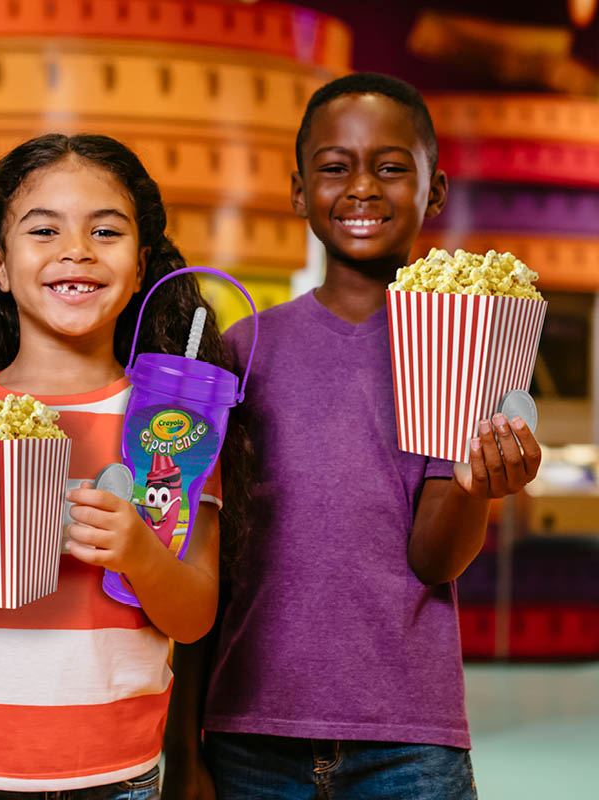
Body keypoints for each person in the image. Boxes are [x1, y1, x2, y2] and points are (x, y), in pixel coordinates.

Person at [163, 73, 542, 800]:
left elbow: (434, 560)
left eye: (392, 167)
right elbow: (203, 561)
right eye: (336, 167)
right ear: (300, 192)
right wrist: (184, 747)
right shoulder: (242, 354)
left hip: (409, 743)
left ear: (434, 191)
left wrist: (473, 485)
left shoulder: (464, 349)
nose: (363, 187)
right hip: (248, 733)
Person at [0, 133, 250, 798]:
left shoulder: (172, 425)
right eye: (44, 230)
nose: (76, 250)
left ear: (139, 269)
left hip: (117, 774)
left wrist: (139, 551)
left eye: (106, 231)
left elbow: (192, 617)